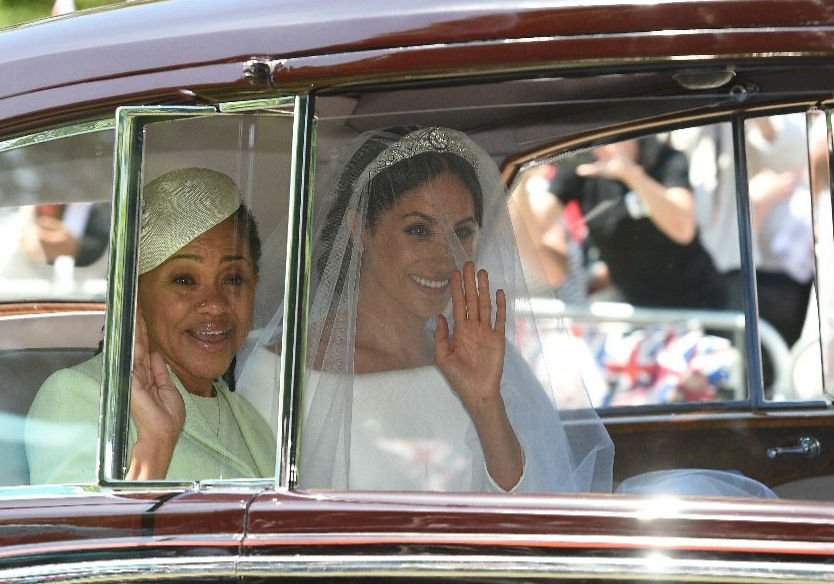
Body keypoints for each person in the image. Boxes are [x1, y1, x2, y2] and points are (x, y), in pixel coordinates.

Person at [238, 126, 615, 493]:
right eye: (419, 230)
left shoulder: (484, 360)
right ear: (360, 229)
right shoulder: (279, 375)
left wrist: (486, 405)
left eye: (462, 232)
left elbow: (533, 509)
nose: (445, 256)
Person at [26, 167, 276, 483]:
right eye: (185, 279)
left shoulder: (251, 422)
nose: (215, 303)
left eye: (234, 278)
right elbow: (81, 532)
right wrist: (156, 445)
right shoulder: (81, 395)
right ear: (134, 296)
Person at [551, 136, 727, 309]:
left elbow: (684, 230)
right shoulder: (581, 166)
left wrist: (630, 174)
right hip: (638, 311)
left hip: (698, 305)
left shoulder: (665, 159)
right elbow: (541, 215)